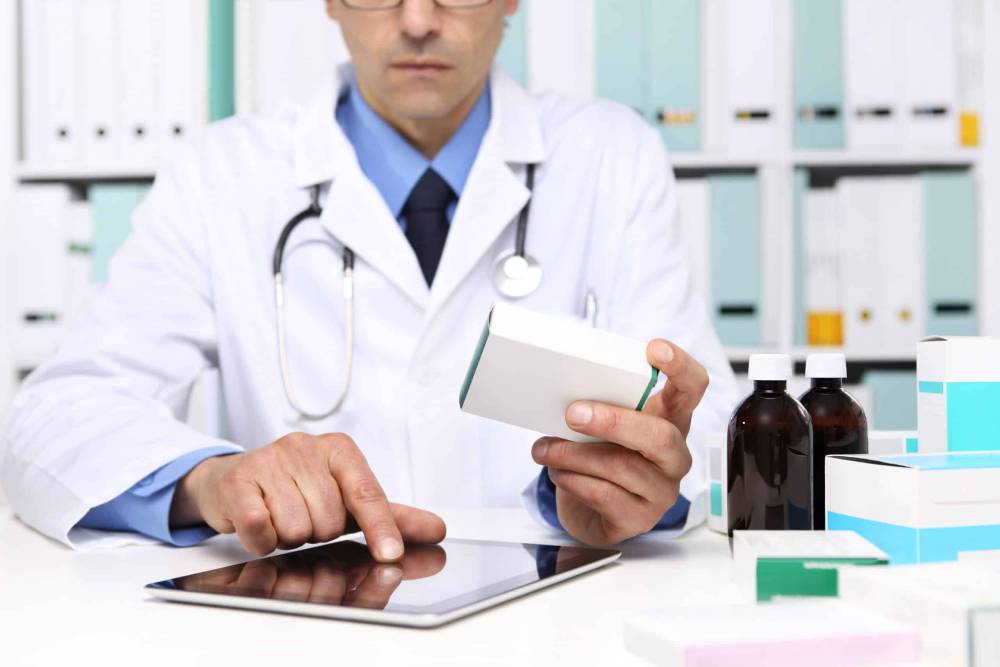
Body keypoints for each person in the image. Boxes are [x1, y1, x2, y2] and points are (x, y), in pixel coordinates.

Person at [0, 0, 739, 560]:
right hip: (310, 627)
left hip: (558, 624)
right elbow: (57, 416)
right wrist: (213, 481)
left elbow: (706, 423)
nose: (418, 21)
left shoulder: (611, 157)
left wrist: (621, 489)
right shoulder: (221, 174)